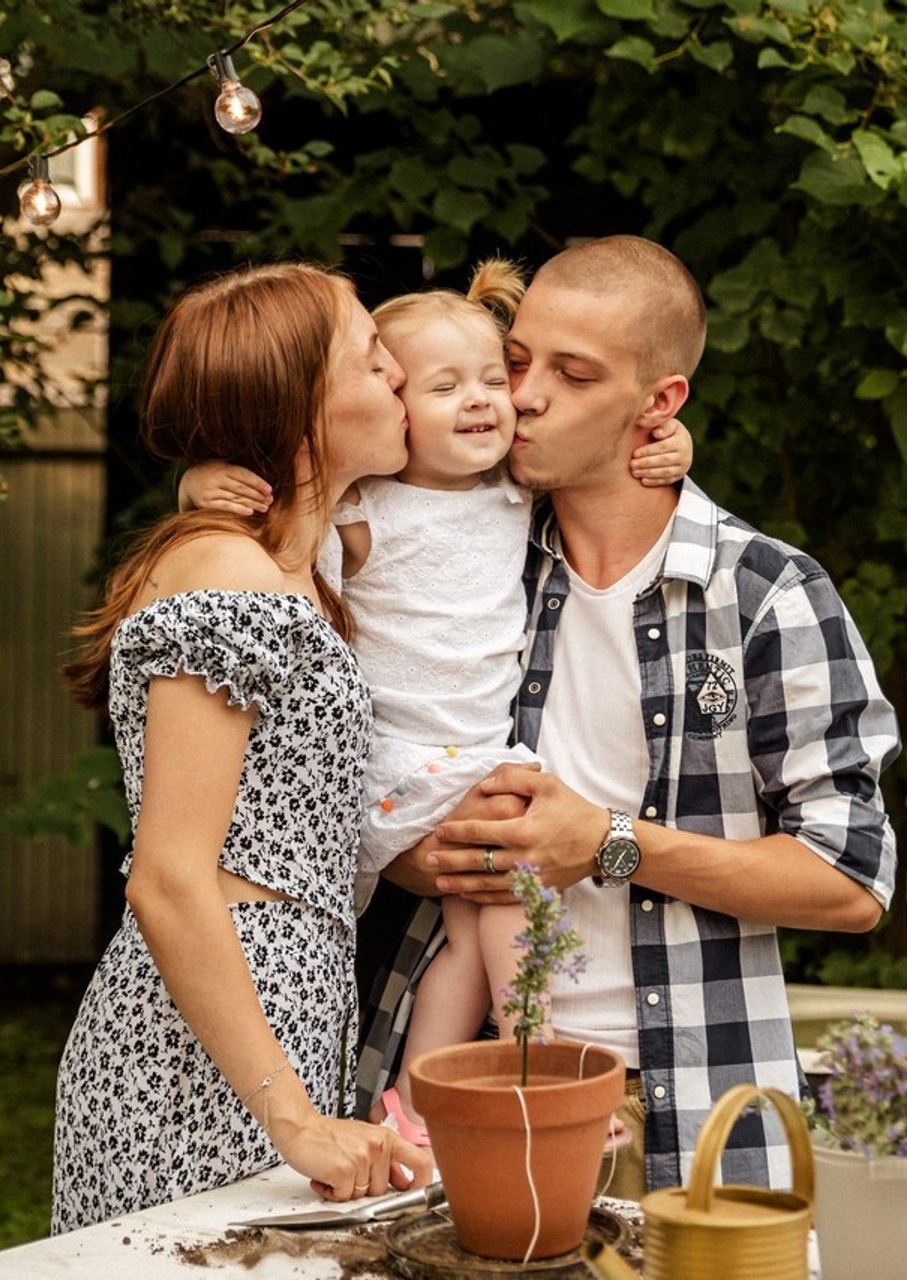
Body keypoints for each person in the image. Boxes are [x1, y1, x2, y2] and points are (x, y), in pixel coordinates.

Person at [357, 234, 900, 1201]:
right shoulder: (462, 566)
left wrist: (608, 843)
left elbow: (851, 880)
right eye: (516, 360)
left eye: (572, 374)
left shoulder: (765, 594)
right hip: (457, 1084)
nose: (522, 395)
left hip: (692, 1099)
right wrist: (414, 852)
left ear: (661, 404)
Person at [181, 259, 691, 1146]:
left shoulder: (515, 492)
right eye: (444, 385)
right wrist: (201, 487)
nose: (491, 401)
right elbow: (275, 529)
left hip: (464, 755)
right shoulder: (366, 506)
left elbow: (601, 447)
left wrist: (672, 448)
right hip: (404, 760)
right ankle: (539, 1069)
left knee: (469, 928)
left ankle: (418, 1106)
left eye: (495, 377)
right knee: (512, 890)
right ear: (398, 410)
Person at [52, 261, 433, 1234]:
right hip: (188, 1054)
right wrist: (296, 1118)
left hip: (280, 1016)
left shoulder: (295, 568)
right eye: (370, 357)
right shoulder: (221, 570)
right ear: (296, 400)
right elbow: (169, 875)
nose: (398, 375)